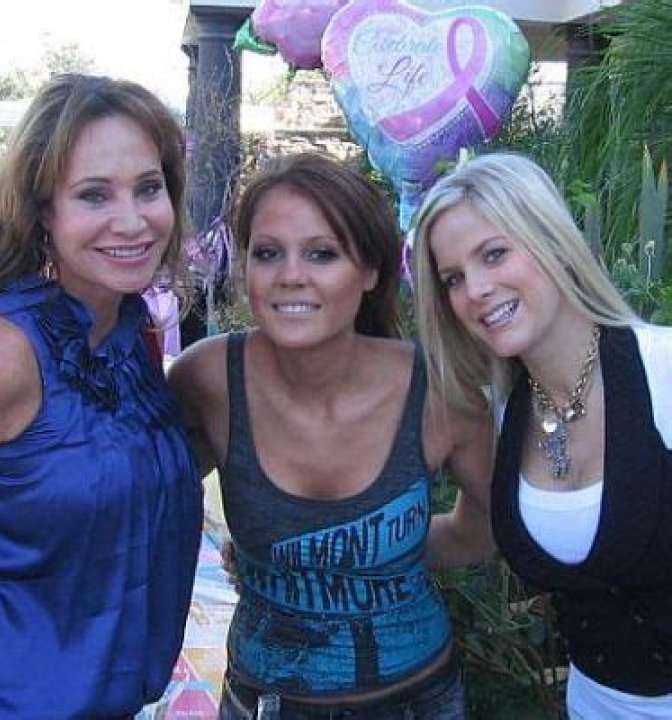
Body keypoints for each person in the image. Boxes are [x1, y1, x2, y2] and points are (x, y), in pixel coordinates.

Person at [169, 152, 495, 719]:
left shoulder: (440, 394)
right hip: (265, 703)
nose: (291, 275)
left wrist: (358, 559)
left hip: (416, 702)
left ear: (370, 272)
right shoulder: (208, 380)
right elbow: (141, 507)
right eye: (268, 253)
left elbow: (480, 532)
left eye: (322, 253)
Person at [0, 73, 204, 719]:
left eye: (148, 188)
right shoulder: (0, 351)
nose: (133, 219)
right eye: (94, 194)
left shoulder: (128, 330)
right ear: (45, 212)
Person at [412, 151, 672, 719]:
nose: (476, 290)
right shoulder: (502, 415)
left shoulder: (663, 370)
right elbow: (468, 536)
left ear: (552, 241)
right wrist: (333, 541)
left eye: (494, 254)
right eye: (453, 278)